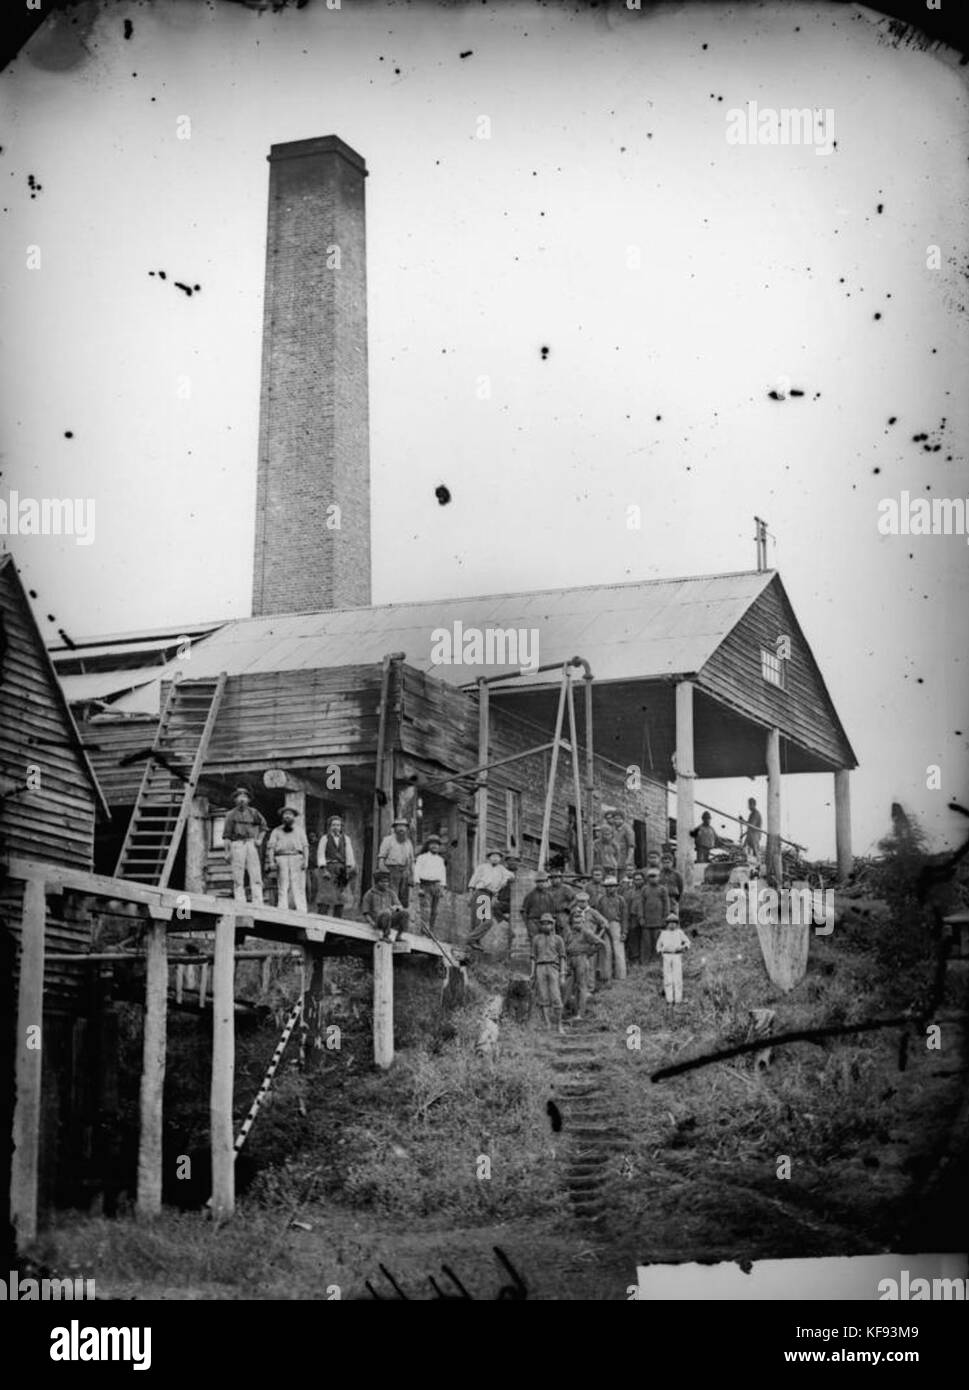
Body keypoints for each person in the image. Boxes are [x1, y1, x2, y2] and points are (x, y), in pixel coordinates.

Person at [564, 894, 607, 1021]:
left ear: (583, 922)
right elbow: (566, 946)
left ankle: (580, 1014)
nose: (576, 924)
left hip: (582, 959)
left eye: (579, 922)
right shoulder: (569, 933)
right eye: (574, 922)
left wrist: (589, 952)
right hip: (570, 960)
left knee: (582, 986)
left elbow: (600, 943)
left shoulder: (586, 932)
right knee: (570, 987)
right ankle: (568, 1012)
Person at [222, 787, 268, 906]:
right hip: (237, 844)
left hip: (251, 843)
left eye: (244, 797)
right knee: (238, 874)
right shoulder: (230, 815)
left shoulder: (254, 812)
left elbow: (264, 827)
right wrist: (227, 852)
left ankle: (258, 902)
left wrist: (259, 840)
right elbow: (227, 836)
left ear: (248, 800)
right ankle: (240, 902)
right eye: (239, 797)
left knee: (255, 873)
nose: (242, 799)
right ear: (235, 800)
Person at [466, 848, 514, 950]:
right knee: (484, 921)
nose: (495, 859)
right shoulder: (483, 867)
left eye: (498, 857)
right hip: (481, 893)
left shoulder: (501, 869)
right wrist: (470, 895)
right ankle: (471, 939)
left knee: (483, 921)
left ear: (500, 859)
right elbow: (473, 880)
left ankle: (474, 941)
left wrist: (506, 880)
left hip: (490, 895)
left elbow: (511, 876)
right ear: (489, 858)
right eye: (493, 856)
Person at [265, 805, 309, 913]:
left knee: (298, 885)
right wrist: (271, 861)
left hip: (297, 858)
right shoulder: (276, 831)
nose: (287, 816)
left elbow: (305, 846)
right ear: (282, 817)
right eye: (285, 814)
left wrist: (306, 860)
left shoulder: (300, 830)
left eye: (290, 814)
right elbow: (271, 847)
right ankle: (282, 909)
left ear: (294, 817)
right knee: (283, 884)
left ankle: (302, 909)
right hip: (281, 858)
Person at [316, 813, 357, 919]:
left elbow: (349, 854)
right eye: (333, 825)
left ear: (341, 827)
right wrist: (324, 869)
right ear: (330, 826)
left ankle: (337, 919)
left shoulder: (346, 839)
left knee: (340, 894)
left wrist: (349, 868)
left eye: (338, 825)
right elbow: (320, 854)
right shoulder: (325, 838)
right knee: (326, 894)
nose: (336, 827)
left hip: (341, 869)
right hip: (329, 868)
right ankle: (321, 918)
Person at [531, 913, 567, 1033]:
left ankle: (559, 1025)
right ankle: (547, 1024)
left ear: (553, 925)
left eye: (548, 923)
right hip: (540, 968)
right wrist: (532, 973)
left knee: (556, 997)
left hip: (553, 967)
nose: (546, 925)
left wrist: (562, 973)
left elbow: (562, 957)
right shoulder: (536, 939)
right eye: (543, 923)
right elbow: (533, 957)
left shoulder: (558, 939)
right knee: (543, 997)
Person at [361, 868, 409, 941]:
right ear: (377, 883)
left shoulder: (391, 893)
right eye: (382, 882)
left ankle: (398, 936)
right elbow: (365, 913)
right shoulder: (370, 894)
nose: (385, 884)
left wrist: (395, 909)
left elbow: (400, 907)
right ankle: (385, 936)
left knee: (405, 913)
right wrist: (372, 923)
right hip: (377, 920)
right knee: (385, 913)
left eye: (387, 882)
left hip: (389, 920)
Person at [414, 832, 447, 934]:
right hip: (425, 885)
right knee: (426, 909)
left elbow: (442, 873)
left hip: (436, 885)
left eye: (436, 844)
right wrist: (418, 886)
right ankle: (424, 930)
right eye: (432, 844)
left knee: (434, 911)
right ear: (428, 846)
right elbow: (417, 872)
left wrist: (442, 886)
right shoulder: (422, 858)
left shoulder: (440, 860)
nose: (434, 846)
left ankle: (431, 931)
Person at [377, 817, 415, 907]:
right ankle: (391, 916)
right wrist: (384, 873)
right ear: (394, 828)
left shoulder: (408, 842)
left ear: (407, 829)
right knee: (392, 895)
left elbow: (411, 860)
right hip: (391, 870)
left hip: (405, 871)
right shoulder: (388, 840)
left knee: (403, 897)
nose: (401, 829)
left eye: (403, 826)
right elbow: (381, 857)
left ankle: (401, 916)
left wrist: (412, 875)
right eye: (399, 826)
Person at [656, 913, 691, 1005]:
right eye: (670, 923)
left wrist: (684, 947)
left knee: (677, 977)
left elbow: (687, 942)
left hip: (676, 955)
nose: (672, 925)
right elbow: (658, 945)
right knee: (668, 978)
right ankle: (669, 999)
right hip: (666, 956)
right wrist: (660, 951)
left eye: (674, 923)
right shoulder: (663, 933)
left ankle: (678, 999)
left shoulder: (679, 932)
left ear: (677, 924)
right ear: (667, 924)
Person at [598, 875, 628, 982]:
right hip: (604, 926)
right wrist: (600, 926)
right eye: (607, 886)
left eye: (612, 886)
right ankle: (606, 976)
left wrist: (624, 931)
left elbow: (624, 917)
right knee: (606, 950)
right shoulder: (601, 899)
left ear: (616, 887)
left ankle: (621, 976)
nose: (610, 889)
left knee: (618, 950)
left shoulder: (621, 899)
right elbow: (598, 914)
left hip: (616, 925)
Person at [505, 915, 534, 1023]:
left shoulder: (529, 948)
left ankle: (521, 1022)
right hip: (515, 978)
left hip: (524, 979)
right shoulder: (512, 947)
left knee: (523, 1002)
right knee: (513, 1001)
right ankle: (513, 1022)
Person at [640, 867, 671, 965]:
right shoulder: (644, 889)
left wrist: (665, 918)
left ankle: (657, 962)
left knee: (658, 941)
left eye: (655, 876)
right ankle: (645, 962)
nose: (653, 879)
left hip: (659, 922)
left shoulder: (663, 889)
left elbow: (666, 905)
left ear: (659, 877)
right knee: (647, 943)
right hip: (647, 922)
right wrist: (641, 917)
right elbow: (641, 904)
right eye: (650, 877)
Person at [521, 871, 555, 937]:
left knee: (548, 941)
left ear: (546, 882)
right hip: (534, 922)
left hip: (547, 922)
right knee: (535, 941)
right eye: (539, 881)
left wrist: (552, 923)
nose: (541, 884)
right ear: (536, 882)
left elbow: (553, 912)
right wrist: (528, 923)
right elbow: (524, 911)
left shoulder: (549, 896)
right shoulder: (530, 895)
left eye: (543, 881)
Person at [606, 809, 637, 882]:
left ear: (623, 819)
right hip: (614, 860)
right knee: (613, 881)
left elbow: (631, 847)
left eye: (619, 819)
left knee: (623, 881)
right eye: (615, 819)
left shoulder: (627, 830)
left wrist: (628, 861)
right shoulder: (612, 828)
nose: (617, 821)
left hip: (624, 861)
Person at [624, 869, 647, 964]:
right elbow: (626, 906)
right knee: (633, 938)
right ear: (633, 881)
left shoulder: (646, 891)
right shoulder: (629, 893)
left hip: (645, 918)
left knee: (644, 939)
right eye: (636, 879)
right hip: (633, 918)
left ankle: (644, 959)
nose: (638, 881)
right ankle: (634, 959)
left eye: (640, 879)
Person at [548, 866, 576, 935]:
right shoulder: (548, 890)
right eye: (552, 878)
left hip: (562, 914)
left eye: (555, 877)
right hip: (551, 914)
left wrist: (569, 907)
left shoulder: (566, 889)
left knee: (564, 932)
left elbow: (575, 899)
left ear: (560, 878)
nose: (553, 880)